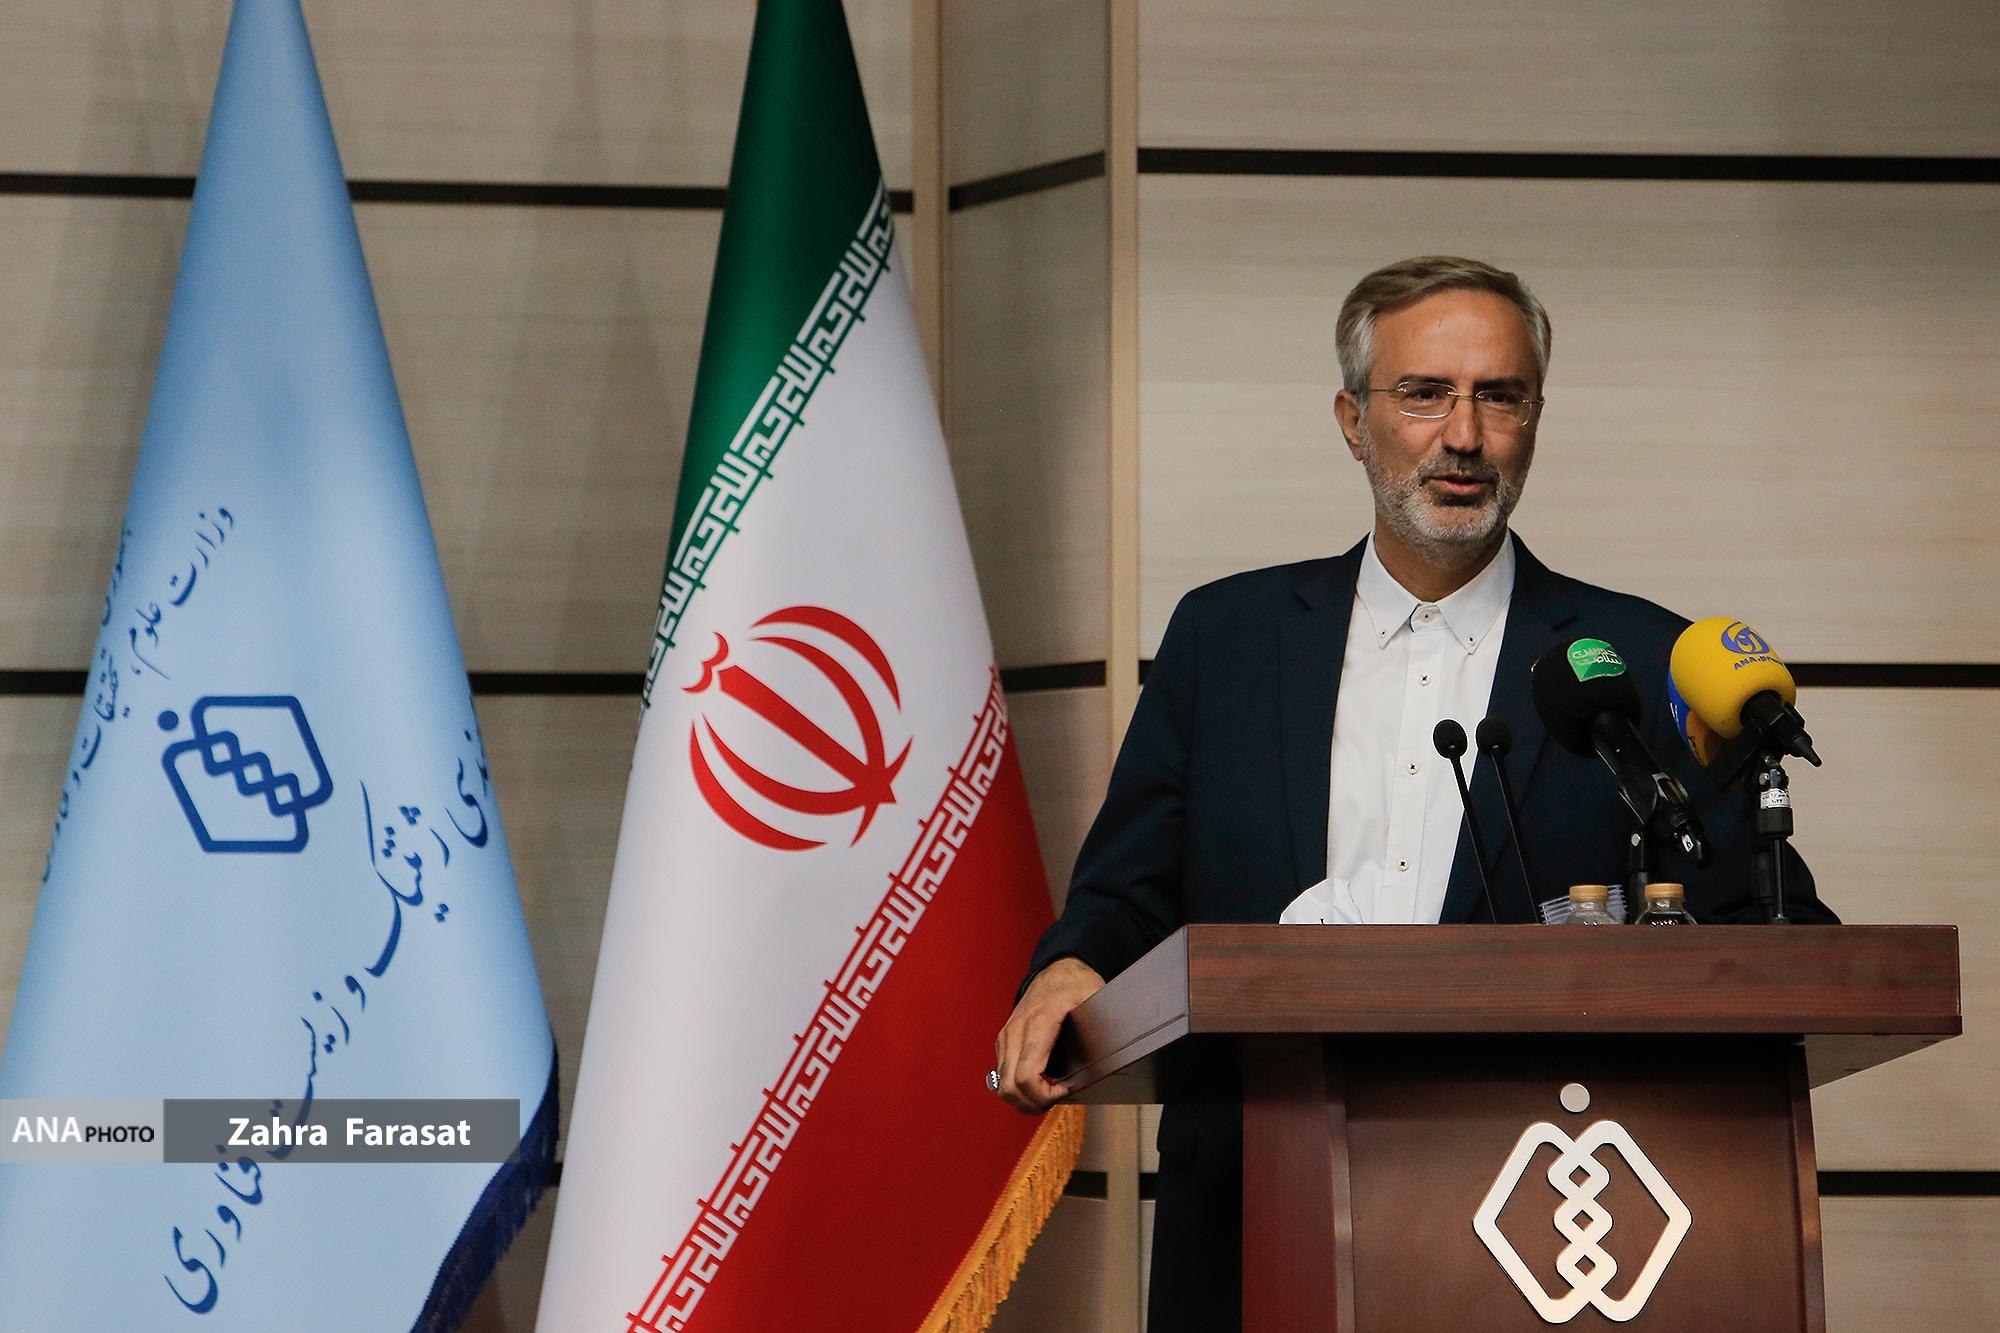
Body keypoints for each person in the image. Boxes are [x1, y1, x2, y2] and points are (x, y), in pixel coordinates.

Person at [990, 256, 1836, 1331]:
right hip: (1253, 1211)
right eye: (1424, 393)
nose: (1464, 436)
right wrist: (1070, 966)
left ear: (1534, 421)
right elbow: (1126, 893)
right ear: (1354, 419)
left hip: (1543, 1228)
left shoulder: (1630, 660)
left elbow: (1771, 929)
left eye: (1499, 396)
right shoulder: (1227, 640)